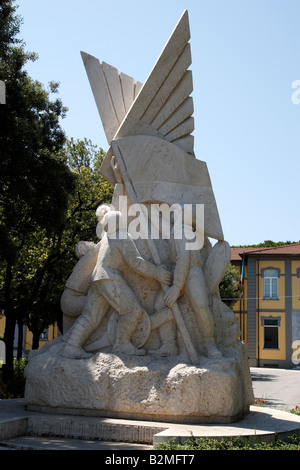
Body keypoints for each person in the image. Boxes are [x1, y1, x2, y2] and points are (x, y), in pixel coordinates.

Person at [62, 208, 171, 359]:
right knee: (133, 311)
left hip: (97, 279)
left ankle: (71, 346)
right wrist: (156, 272)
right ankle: (122, 344)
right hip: (110, 278)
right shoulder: (122, 237)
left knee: (91, 317)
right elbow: (135, 263)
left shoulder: (107, 239)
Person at [163, 205, 222, 358]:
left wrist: (176, 287)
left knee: (201, 307)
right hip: (180, 271)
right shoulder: (178, 232)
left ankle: (210, 344)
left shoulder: (183, 231)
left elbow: (185, 258)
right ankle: (173, 345)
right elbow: (181, 259)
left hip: (192, 272)